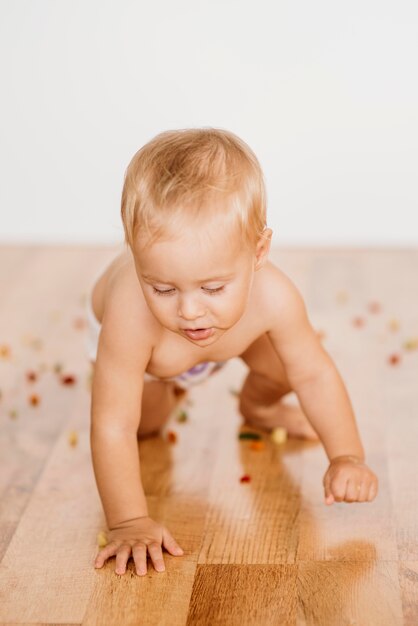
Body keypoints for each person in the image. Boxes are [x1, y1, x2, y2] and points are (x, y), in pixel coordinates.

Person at [88, 128, 378, 578]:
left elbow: (315, 375)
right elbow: (112, 425)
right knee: (145, 424)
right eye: (162, 287)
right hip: (152, 362)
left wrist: (347, 456)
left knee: (287, 363)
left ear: (258, 252)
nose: (188, 310)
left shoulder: (275, 296)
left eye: (213, 287)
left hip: (231, 337)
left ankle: (258, 405)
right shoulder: (130, 314)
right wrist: (129, 522)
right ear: (136, 256)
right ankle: (168, 392)